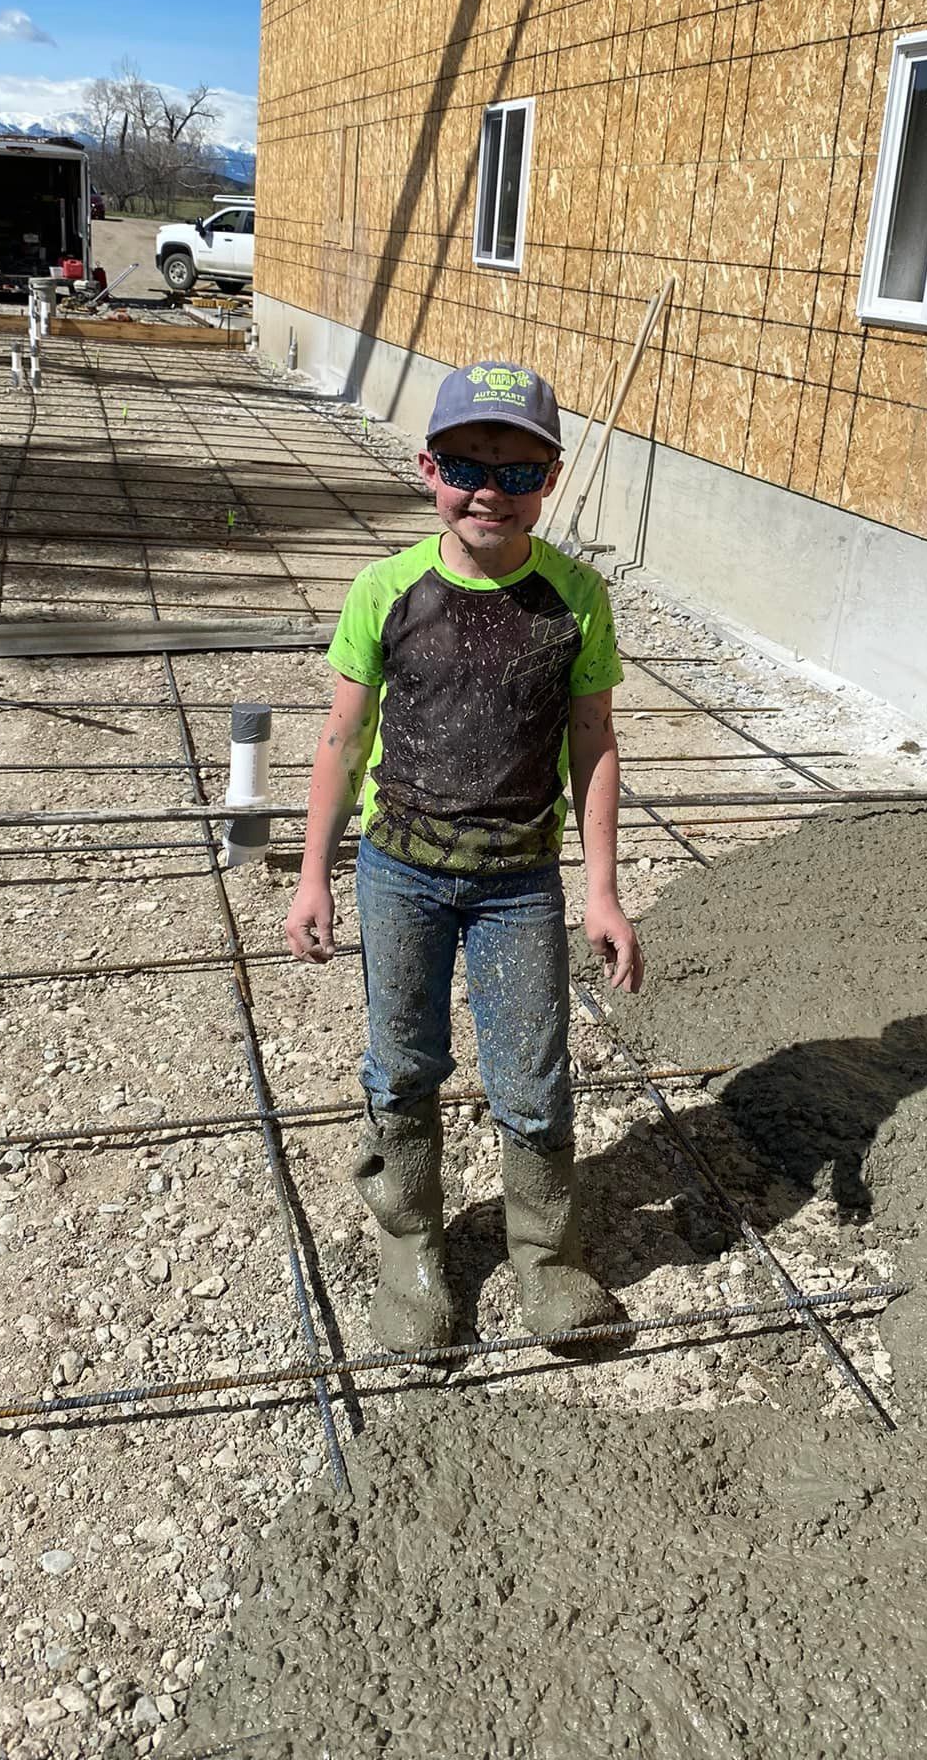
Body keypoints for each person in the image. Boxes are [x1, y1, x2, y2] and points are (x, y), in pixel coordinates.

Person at [285, 360, 644, 1352]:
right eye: (465, 463)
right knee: (402, 1064)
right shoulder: (386, 589)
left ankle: (547, 1258)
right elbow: (342, 738)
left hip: (517, 883)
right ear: (426, 465)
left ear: (553, 478)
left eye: (518, 470)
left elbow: (595, 741)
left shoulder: (574, 598)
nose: (490, 488)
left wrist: (603, 891)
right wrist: (314, 872)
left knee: (532, 1076)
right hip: (399, 869)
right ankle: (413, 1255)